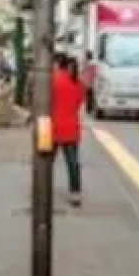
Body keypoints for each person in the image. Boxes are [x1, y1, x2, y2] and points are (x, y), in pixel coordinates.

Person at [51, 53, 87, 207]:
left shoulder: (53, 79)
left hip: (52, 127)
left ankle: (43, 189)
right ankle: (75, 194)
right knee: (72, 162)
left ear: (58, 64)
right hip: (71, 127)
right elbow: (79, 103)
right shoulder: (79, 83)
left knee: (47, 161)